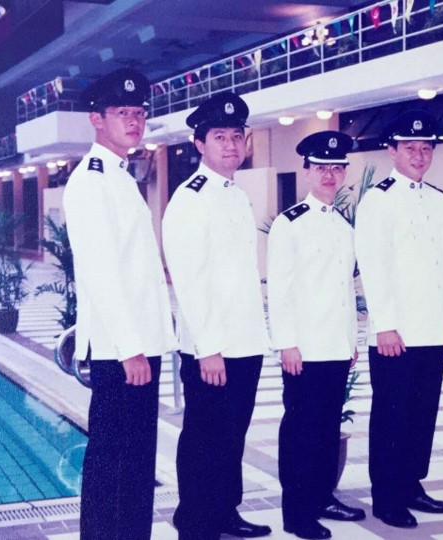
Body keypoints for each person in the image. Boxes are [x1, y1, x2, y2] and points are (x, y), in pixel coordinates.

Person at [63, 68, 177, 540]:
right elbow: (101, 274)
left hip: (137, 345)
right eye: (122, 112)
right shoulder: (91, 182)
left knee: (135, 465)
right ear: (96, 119)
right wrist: (131, 347)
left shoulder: (120, 176)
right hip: (119, 351)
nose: (134, 120)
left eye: (139, 112)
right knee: (113, 465)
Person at [161, 91, 272, 540]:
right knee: (205, 439)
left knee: (231, 438)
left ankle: (224, 511)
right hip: (213, 348)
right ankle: (196, 523)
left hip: (244, 341)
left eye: (236, 136)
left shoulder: (234, 195)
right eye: (219, 136)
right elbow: (190, 281)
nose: (230, 144)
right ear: (199, 143)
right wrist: (209, 349)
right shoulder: (191, 199)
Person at [354, 110, 443, 529]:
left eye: (426, 148)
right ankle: (387, 494)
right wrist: (384, 325)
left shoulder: (438, 199)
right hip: (395, 332)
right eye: (410, 148)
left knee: (423, 414)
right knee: (392, 415)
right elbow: (373, 266)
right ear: (392, 150)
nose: (419, 155)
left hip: (432, 328)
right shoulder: (378, 199)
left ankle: (412, 484)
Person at [267, 131, 367, 540]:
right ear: (306, 172)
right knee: (301, 430)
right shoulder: (290, 225)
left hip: (335, 346)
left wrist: (351, 342)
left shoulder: (343, 225)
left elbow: (345, 291)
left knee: (326, 428)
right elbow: (280, 289)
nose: (329, 174)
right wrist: (287, 343)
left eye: (336, 167)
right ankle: (297, 512)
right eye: (321, 167)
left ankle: (323, 496)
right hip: (304, 348)